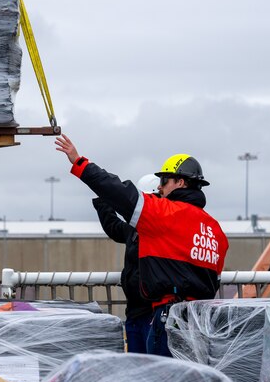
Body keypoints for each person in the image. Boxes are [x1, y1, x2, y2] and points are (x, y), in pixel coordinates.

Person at [54, 134, 229, 356]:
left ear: (180, 182)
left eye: (164, 181)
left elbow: (118, 191)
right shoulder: (215, 231)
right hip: (201, 324)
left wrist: (80, 163)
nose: (160, 187)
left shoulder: (165, 213)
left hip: (170, 320)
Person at [91, 174, 160, 353]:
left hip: (153, 312)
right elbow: (114, 227)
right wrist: (104, 197)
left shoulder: (161, 228)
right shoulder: (134, 228)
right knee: (138, 366)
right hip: (136, 311)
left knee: (153, 367)